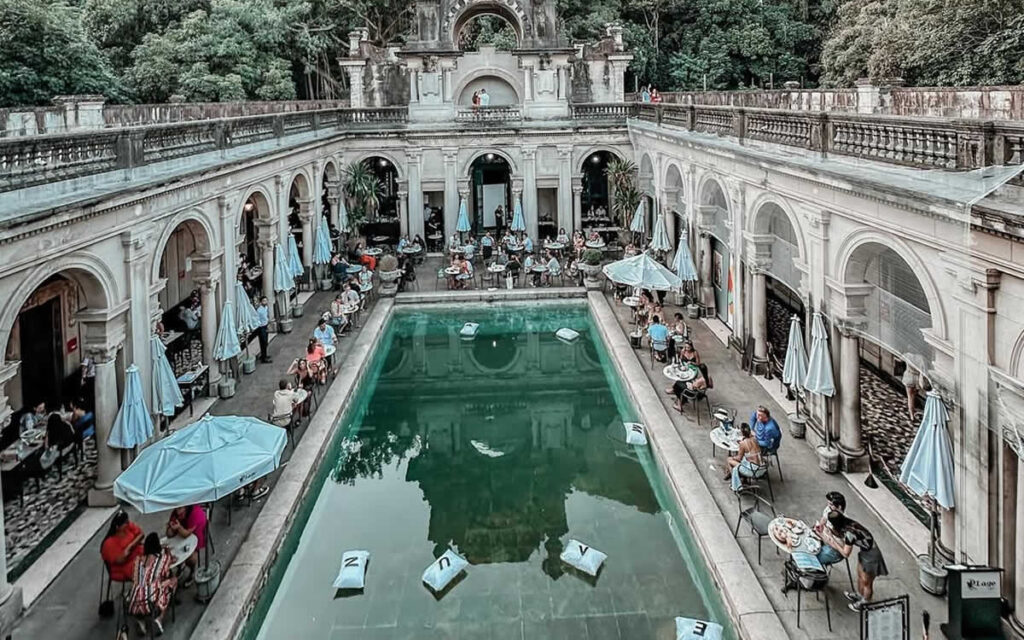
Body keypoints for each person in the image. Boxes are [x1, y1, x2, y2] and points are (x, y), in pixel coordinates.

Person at [817, 511, 889, 611]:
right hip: (865, 552)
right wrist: (830, 533)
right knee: (860, 575)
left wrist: (832, 542)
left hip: (872, 555)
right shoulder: (847, 523)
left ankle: (865, 602)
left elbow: (846, 553)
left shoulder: (849, 533)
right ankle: (859, 594)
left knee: (867, 582)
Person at [127, 533, 177, 635]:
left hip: (133, 603)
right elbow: (166, 573)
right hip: (149, 602)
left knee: (142, 590)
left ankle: (141, 621)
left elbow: (134, 578)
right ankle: (159, 618)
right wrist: (167, 552)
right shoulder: (162, 559)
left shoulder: (138, 561)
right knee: (172, 582)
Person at [100, 510, 144, 583]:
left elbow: (141, 534)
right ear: (117, 527)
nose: (128, 524)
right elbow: (121, 560)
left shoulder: (128, 526)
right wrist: (130, 548)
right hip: (123, 567)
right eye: (125, 523)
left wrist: (131, 545)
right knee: (144, 572)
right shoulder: (109, 543)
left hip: (137, 555)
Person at [166, 505, 207, 580]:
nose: (178, 512)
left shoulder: (195, 514)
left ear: (186, 507)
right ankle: (180, 566)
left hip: (196, 536)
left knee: (191, 559)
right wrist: (171, 529)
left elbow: (186, 534)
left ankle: (192, 571)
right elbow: (169, 535)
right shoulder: (175, 513)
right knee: (170, 553)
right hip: (181, 537)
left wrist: (178, 527)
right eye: (177, 508)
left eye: (180, 508)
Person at [813, 491, 848, 567]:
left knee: (813, 558)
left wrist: (823, 536)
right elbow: (824, 518)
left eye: (831, 504)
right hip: (826, 537)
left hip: (835, 549)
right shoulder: (829, 509)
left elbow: (842, 549)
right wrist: (820, 525)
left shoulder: (843, 525)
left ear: (839, 507)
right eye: (828, 503)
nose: (828, 506)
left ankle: (819, 574)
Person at [725, 423, 763, 492]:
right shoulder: (755, 439)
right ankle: (743, 479)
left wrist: (733, 457)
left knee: (729, 460)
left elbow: (739, 458)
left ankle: (735, 483)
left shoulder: (743, 443)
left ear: (742, 433)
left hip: (752, 470)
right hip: (761, 468)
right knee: (744, 460)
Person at [255, 297, 272, 363]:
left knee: (265, 342)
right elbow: (257, 319)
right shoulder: (259, 310)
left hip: (265, 326)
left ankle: (264, 355)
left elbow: (266, 316)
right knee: (263, 342)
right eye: (264, 301)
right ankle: (263, 358)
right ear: (261, 302)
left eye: (266, 300)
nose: (265, 302)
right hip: (261, 327)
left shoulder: (266, 308)